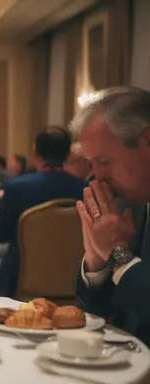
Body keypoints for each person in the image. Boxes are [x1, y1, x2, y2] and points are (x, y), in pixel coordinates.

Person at [71, 86, 150, 345]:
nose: (97, 175)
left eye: (104, 162)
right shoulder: (129, 202)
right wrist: (97, 262)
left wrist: (118, 255)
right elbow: (94, 311)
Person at [0, 127, 87, 297]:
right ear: (69, 154)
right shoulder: (84, 190)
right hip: (74, 280)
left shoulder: (17, 188)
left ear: (35, 153)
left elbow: (0, 235)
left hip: (20, 278)